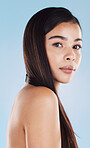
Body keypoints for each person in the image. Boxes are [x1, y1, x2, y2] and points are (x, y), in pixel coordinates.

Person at [6, 7, 82, 148]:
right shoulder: (42, 97)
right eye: (58, 44)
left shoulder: (27, 95)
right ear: (36, 47)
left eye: (76, 46)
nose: (71, 55)